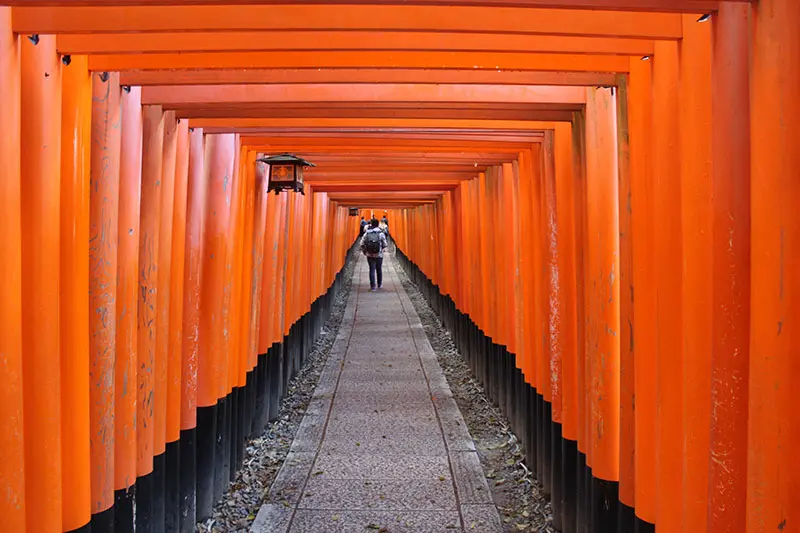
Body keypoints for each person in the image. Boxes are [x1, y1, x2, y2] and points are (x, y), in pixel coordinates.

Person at [360, 218, 388, 291]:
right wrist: (382, 248)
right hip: (379, 255)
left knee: (372, 269)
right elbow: (385, 244)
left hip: (370, 254)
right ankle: (379, 284)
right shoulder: (381, 233)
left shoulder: (367, 233)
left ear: (371, 224)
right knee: (379, 269)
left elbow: (361, 243)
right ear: (378, 224)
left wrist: (365, 251)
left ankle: (373, 287)